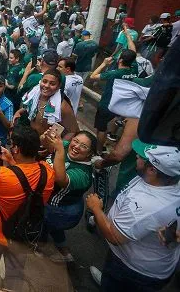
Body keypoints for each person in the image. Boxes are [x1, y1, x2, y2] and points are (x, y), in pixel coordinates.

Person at [88, 140, 180, 291]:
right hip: (151, 261)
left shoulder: (148, 206)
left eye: (141, 156)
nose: (137, 155)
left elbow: (114, 237)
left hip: (133, 271)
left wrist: (96, 208)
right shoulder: (165, 182)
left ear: (152, 169)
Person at [0, 125, 55, 289]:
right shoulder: (47, 172)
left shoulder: (4, 177)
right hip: (25, 235)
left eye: (12, 144)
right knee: (17, 273)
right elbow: (27, 180)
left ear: (16, 148)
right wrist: (11, 161)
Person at [41, 130, 96, 262]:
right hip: (54, 204)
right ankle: (65, 254)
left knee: (42, 226)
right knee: (54, 228)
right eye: (75, 141)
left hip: (60, 210)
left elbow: (61, 179)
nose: (76, 146)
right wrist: (45, 137)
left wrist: (59, 151)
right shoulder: (65, 145)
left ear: (90, 154)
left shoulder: (84, 174)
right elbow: (46, 143)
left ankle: (40, 251)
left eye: (84, 146)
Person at [89, 50, 138, 153]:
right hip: (120, 106)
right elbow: (133, 52)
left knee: (101, 129)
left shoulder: (115, 73)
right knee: (107, 125)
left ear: (120, 60)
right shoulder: (134, 70)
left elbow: (93, 76)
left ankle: (98, 151)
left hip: (107, 104)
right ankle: (103, 144)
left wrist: (104, 63)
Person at [15, 69, 79, 137]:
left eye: (52, 84)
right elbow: (30, 107)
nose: (46, 86)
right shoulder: (34, 94)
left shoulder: (62, 106)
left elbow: (73, 131)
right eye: (44, 81)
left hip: (47, 144)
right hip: (31, 139)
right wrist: (18, 112)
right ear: (40, 81)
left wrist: (58, 146)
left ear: (59, 86)